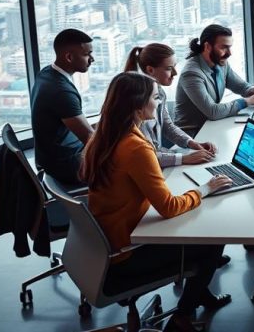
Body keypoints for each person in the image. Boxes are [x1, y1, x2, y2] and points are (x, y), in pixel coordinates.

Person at [80, 72, 232, 332]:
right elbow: (169, 207)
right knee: (214, 240)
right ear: (138, 106)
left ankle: (199, 294)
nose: (159, 102)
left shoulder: (103, 135)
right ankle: (182, 317)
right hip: (127, 253)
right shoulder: (136, 146)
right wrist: (205, 189)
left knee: (196, 226)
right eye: (154, 97)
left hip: (109, 239)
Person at [125, 43, 218, 168]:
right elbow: (145, 155)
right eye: (169, 68)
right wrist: (184, 158)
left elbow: (167, 126)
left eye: (174, 66)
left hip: (157, 159)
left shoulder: (159, 92)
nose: (175, 73)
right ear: (150, 70)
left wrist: (192, 143)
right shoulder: (139, 104)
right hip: (146, 165)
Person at [174, 24, 254, 137]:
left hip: (213, 125)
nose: (229, 53)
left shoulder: (220, 62)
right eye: (224, 47)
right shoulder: (191, 74)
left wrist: (252, 91)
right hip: (193, 135)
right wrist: (247, 101)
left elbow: (240, 86)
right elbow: (213, 112)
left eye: (230, 47)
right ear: (207, 46)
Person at [30, 28, 95, 187]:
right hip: (67, 164)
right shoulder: (61, 91)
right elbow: (90, 139)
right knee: (129, 160)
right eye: (87, 54)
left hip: (51, 155)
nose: (92, 59)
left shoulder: (47, 73)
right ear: (69, 57)